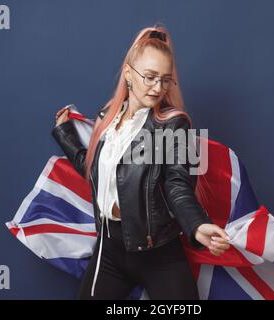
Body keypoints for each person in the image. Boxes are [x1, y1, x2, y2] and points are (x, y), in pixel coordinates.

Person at [51, 24, 230, 300]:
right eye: (150, 77)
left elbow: (178, 185)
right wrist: (66, 135)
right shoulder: (107, 119)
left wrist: (197, 225)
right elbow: (96, 173)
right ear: (129, 74)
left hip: (159, 255)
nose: (158, 87)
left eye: (165, 79)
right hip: (109, 250)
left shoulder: (175, 125)